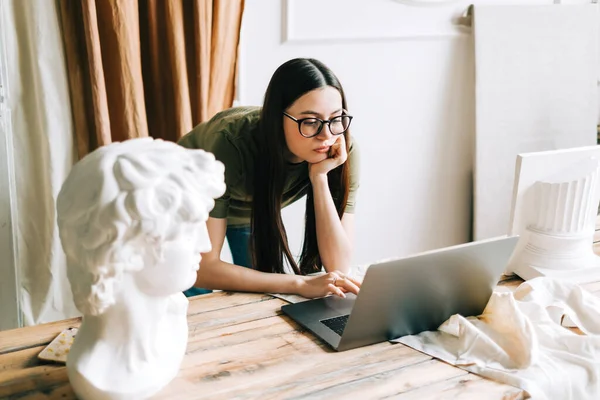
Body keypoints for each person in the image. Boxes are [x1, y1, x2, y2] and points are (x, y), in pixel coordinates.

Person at [56, 138, 225, 399]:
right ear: (129, 250)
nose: (204, 245)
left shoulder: (175, 317)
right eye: (189, 231)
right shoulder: (99, 377)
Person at [178, 58, 361, 299]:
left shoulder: (340, 149)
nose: (326, 135)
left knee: (260, 292)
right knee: (191, 292)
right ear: (277, 118)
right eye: (310, 122)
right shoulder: (230, 145)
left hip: (248, 205)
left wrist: (319, 178)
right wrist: (299, 284)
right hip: (186, 201)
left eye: (335, 119)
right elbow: (203, 269)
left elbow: (338, 266)